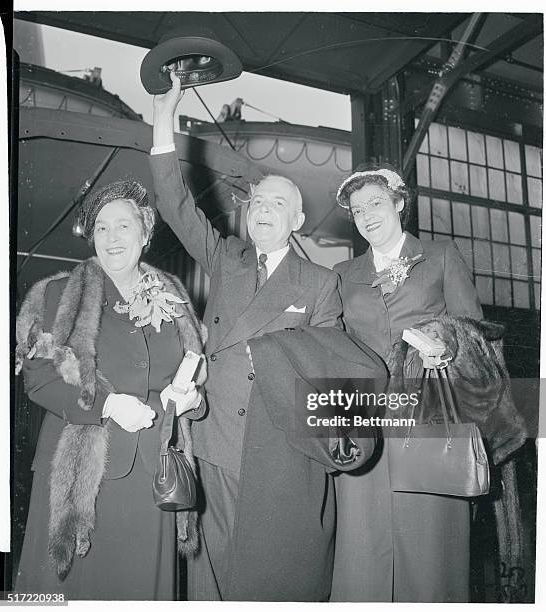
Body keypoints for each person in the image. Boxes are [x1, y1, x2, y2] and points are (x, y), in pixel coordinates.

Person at [148, 75, 382, 601]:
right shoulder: (226, 258)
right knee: (209, 579)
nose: (263, 208)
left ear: (297, 219)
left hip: (276, 452)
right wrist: (165, 116)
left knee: (269, 576)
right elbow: (174, 203)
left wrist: (265, 352)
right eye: (257, 201)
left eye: (277, 203)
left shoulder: (322, 283)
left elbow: (332, 367)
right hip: (212, 439)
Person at [15, 180, 206, 600]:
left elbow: (192, 371)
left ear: (145, 233)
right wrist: (107, 404)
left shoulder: (173, 295)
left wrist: (191, 400)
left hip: (152, 477)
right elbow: (39, 377)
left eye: (123, 225)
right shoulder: (58, 294)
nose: (112, 237)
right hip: (82, 476)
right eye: (101, 227)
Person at [330, 165, 483, 603]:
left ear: (399, 204)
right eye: (358, 210)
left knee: (432, 553)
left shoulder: (440, 257)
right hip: (364, 426)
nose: (367, 215)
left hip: (431, 420)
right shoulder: (341, 274)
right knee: (362, 551)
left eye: (376, 203)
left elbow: (475, 331)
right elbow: (333, 345)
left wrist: (449, 347)